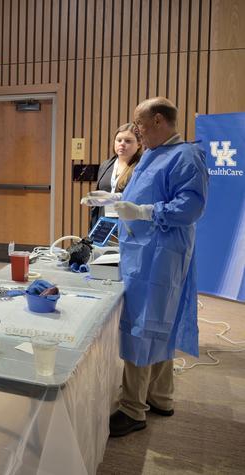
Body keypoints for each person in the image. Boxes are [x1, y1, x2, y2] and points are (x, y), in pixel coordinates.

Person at [85, 97, 209, 437]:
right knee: (158, 324)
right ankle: (160, 396)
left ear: (158, 120)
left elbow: (190, 207)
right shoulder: (154, 154)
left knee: (143, 326)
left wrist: (144, 213)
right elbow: (141, 195)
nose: (135, 130)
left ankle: (132, 408)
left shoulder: (186, 156)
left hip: (161, 254)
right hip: (143, 252)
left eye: (138, 125)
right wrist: (113, 202)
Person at [88, 123, 142, 230]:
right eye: (119, 140)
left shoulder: (142, 167)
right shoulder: (105, 165)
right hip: (104, 222)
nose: (122, 144)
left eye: (128, 141)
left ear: (139, 144)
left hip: (129, 225)